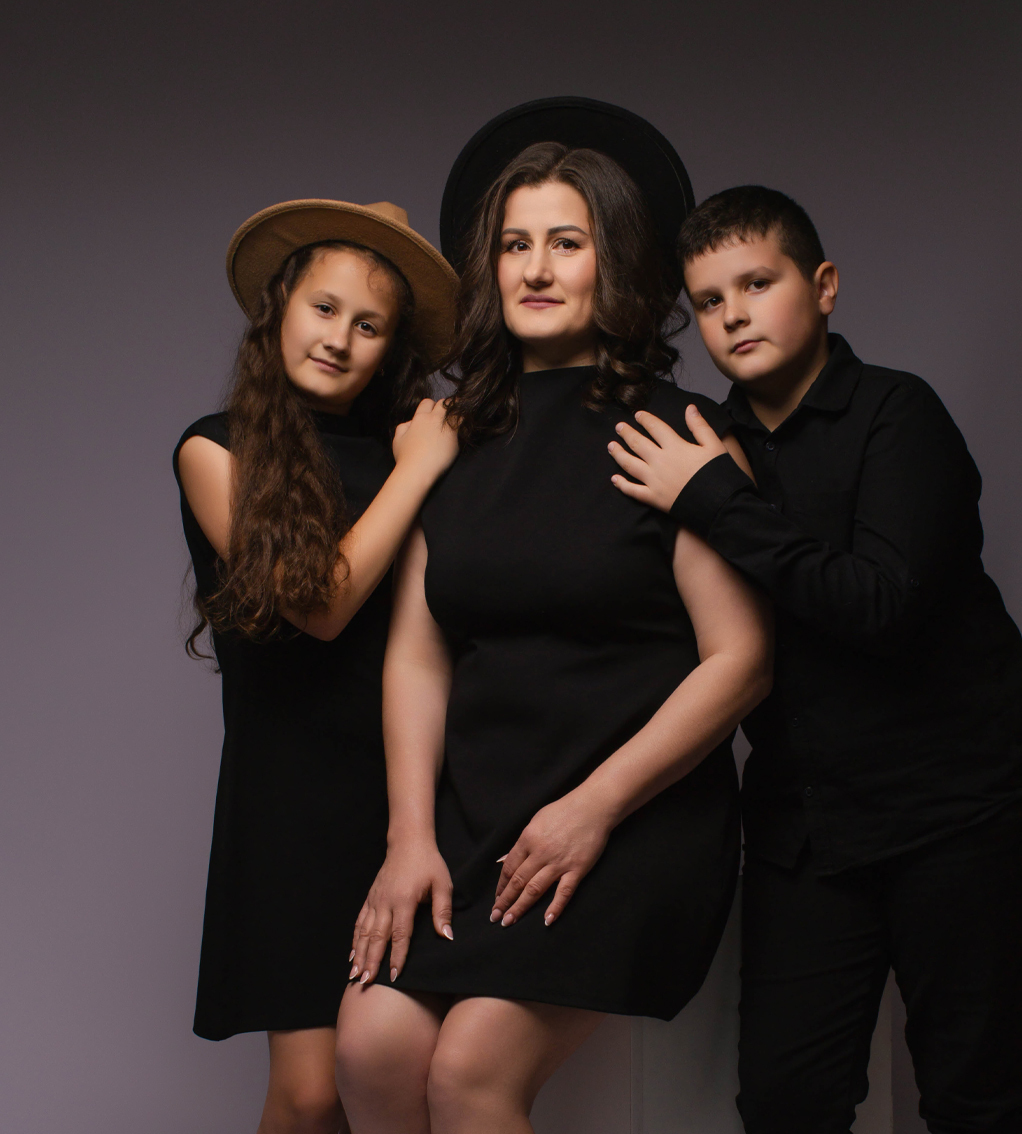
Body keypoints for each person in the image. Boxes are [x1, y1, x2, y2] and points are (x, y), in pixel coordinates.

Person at [334, 100, 774, 1134]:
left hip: (633, 815)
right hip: (475, 813)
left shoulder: (676, 430)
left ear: (613, 264)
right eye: (515, 244)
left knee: (470, 1071)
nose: (535, 268)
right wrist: (408, 838)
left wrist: (595, 807)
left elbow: (744, 659)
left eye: (566, 243)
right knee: (371, 1050)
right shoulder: (454, 438)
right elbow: (417, 657)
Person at [609, 185, 1022, 1133]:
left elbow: (879, 607)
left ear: (823, 287)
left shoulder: (899, 414)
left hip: (957, 819)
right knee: (785, 1103)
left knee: (975, 1097)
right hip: (804, 835)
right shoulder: (706, 444)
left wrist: (714, 500)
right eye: (709, 302)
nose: (734, 315)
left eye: (757, 284)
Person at [174, 198, 458, 1134]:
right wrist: (419, 470)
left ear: (392, 349)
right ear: (280, 308)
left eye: (369, 325)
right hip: (290, 801)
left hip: (417, 792)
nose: (339, 338)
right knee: (309, 1096)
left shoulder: (408, 450)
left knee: (396, 1079)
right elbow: (320, 604)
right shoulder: (215, 448)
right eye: (325, 308)